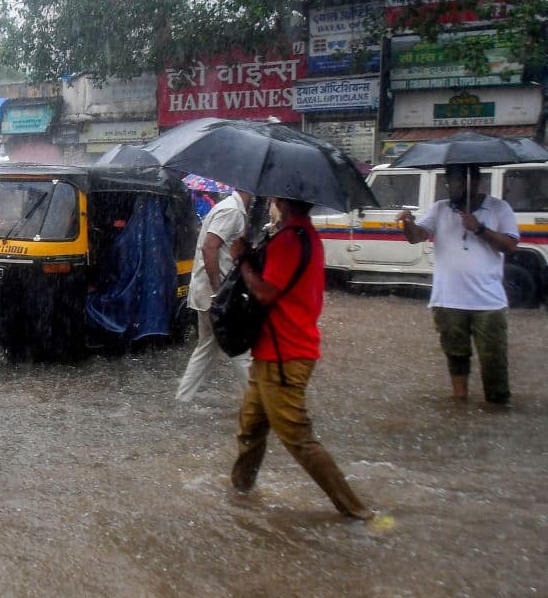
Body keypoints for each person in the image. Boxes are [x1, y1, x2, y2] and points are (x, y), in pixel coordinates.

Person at [228, 197, 372, 520]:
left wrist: (242, 261)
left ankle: (357, 511)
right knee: (250, 428)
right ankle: (239, 494)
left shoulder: (291, 239)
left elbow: (265, 293)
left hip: (284, 356)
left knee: (298, 439)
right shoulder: (302, 234)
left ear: (281, 200)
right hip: (274, 352)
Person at [396, 164, 519, 404]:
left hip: (488, 301)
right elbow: (416, 237)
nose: (451, 186)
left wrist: (480, 228)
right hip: (448, 299)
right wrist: (408, 223)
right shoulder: (440, 208)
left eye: (456, 181)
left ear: (474, 181)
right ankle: (459, 402)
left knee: (494, 358)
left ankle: (497, 405)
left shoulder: (498, 208)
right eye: (449, 181)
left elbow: (510, 246)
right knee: (456, 355)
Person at [175, 189, 253, 403]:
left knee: (207, 347)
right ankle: (261, 406)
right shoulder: (231, 211)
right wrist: (218, 291)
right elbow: (210, 247)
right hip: (217, 295)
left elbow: (221, 249)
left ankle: (183, 398)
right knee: (240, 349)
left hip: (212, 293)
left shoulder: (232, 209)